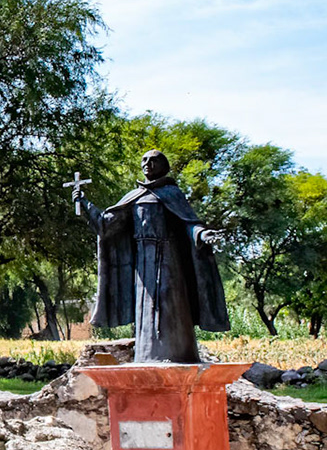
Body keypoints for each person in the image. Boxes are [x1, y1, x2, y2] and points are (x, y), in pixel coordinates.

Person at [74, 150, 229, 363]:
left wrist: (203, 234)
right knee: (145, 308)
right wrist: (84, 204)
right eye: (144, 160)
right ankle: (147, 356)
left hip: (169, 260)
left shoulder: (173, 194)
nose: (147, 163)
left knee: (169, 304)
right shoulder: (134, 197)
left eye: (153, 160)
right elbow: (106, 224)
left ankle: (178, 354)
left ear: (163, 166)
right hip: (142, 262)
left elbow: (189, 224)